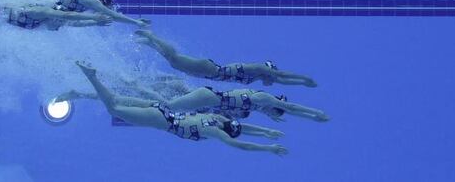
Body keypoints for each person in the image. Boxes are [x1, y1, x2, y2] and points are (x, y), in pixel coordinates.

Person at [76, 62, 288, 155]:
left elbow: (241, 128)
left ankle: (83, 91)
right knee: (121, 101)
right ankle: (93, 77)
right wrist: (267, 144)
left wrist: (266, 133)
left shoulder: (227, 118)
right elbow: (239, 140)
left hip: (172, 108)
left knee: (126, 96)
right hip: (170, 111)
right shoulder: (216, 127)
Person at [55, 84, 328, 123]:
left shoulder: (255, 109)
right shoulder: (262, 98)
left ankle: (91, 90)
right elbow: (290, 108)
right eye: (273, 109)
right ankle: (86, 91)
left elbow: (276, 112)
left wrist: (271, 119)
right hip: (208, 98)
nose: (270, 111)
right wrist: (314, 114)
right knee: (162, 104)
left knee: (156, 102)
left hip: (203, 103)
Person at [135, 29, 317, 87]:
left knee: (174, 64)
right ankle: (152, 36)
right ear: (270, 70)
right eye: (273, 75)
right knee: (175, 58)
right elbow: (282, 75)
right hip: (211, 69)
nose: (273, 81)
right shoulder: (259, 69)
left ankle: (150, 43)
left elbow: (280, 81)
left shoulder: (258, 77)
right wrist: (305, 79)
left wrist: (301, 84)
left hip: (209, 74)